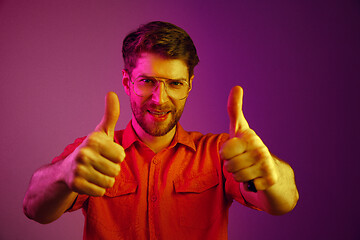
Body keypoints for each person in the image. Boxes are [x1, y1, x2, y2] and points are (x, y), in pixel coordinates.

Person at [23, 21, 299, 240]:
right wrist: (64, 172)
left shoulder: (221, 153)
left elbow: (284, 202)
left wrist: (270, 172)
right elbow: (34, 208)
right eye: (147, 81)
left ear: (190, 84)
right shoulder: (93, 152)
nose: (160, 98)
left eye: (175, 84)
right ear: (127, 81)